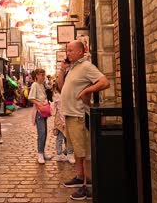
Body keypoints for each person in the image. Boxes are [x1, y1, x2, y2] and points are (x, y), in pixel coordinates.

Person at [57, 40, 110, 200]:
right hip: (70, 115)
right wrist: (62, 69)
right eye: (67, 50)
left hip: (79, 115)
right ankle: (80, 177)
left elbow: (104, 82)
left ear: (81, 52)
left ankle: (87, 187)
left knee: (83, 151)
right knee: (77, 151)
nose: (68, 53)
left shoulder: (86, 66)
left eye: (71, 50)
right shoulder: (72, 68)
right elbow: (60, 87)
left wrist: (87, 90)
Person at [28, 68, 51, 164]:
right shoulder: (35, 85)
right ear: (37, 75)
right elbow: (31, 98)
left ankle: (42, 151)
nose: (43, 76)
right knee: (41, 133)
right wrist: (39, 104)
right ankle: (40, 154)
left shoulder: (42, 85)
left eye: (43, 74)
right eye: (41, 74)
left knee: (45, 132)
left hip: (44, 111)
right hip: (39, 112)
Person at [52, 84, 75, 163]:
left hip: (65, 118)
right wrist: (63, 121)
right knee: (61, 137)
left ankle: (68, 153)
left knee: (66, 137)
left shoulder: (61, 95)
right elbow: (60, 110)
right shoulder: (58, 97)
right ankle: (61, 154)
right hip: (61, 120)